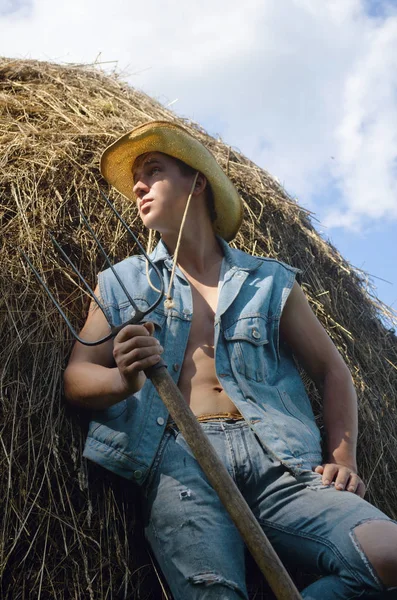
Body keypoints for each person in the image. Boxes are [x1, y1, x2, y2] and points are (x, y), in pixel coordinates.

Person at [64, 121, 397, 600]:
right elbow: (76, 378)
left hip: (282, 461)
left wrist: (343, 458)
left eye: (153, 171)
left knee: (388, 554)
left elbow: (333, 369)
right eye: (136, 178)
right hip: (180, 460)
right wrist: (124, 379)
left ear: (197, 181)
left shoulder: (267, 280)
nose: (137, 186)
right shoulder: (123, 282)